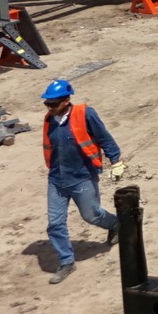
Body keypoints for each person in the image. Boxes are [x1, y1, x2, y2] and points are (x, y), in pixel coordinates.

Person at [40, 79, 124, 283]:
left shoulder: (86, 114)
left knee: (92, 215)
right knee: (55, 223)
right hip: (57, 179)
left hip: (82, 177)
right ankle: (66, 261)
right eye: (47, 104)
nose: (50, 108)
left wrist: (116, 161)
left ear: (67, 100)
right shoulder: (50, 120)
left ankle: (116, 224)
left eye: (54, 104)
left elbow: (104, 138)